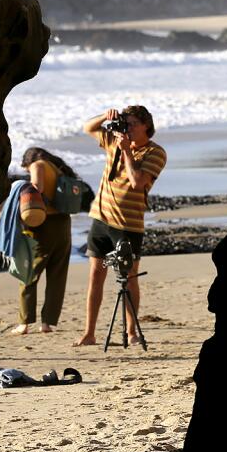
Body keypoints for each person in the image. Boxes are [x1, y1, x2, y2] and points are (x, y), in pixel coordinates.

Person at [74, 105, 167, 347]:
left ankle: (132, 332)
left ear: (146, 125)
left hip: (128, 224)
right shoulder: (114, 140)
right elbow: (88, 127)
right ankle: (89, 333)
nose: (128, 128)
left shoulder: (155, 152)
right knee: (96, 274)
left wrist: (126, 151)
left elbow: (138, 183)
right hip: (100, 218)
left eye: (133, 124)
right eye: (125, 123)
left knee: (129, 277)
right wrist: (107, 116)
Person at [9, 148, 75, 335]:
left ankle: (24, 323)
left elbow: (37, 187)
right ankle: (47, 323)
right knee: (57, 275)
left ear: (29, 162)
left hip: (44, 224)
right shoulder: (57, 168)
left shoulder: (38, 165)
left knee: (28, 272)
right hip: (63, 224)